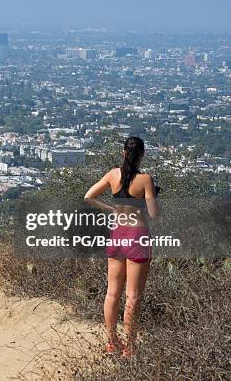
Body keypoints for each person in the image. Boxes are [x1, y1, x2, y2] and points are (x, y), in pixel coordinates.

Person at [84, 136, 159, 358]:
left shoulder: (112, 174)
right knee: (133, 296)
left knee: (112, 292)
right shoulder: (146, 179)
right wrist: (153, 195)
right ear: (142, 155)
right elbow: (154, 214)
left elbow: (88, 196)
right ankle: (130, 346)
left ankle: (112, 342)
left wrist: (112, 210)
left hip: (118, 234)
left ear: (123, 152)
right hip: (137, 235)